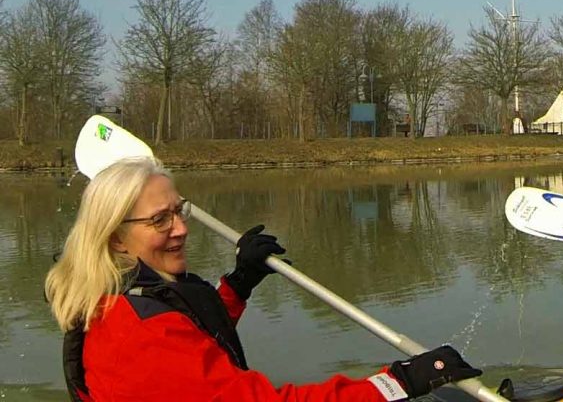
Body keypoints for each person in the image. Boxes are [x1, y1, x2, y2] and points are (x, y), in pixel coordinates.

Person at [45, 157, 481, 402]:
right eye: (160, 220)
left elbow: (192, 344)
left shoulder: (123, 297)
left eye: (179, 211)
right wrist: (396, 382)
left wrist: (239, 284)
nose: (180, 229)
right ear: (116, 238)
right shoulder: (134, 332)